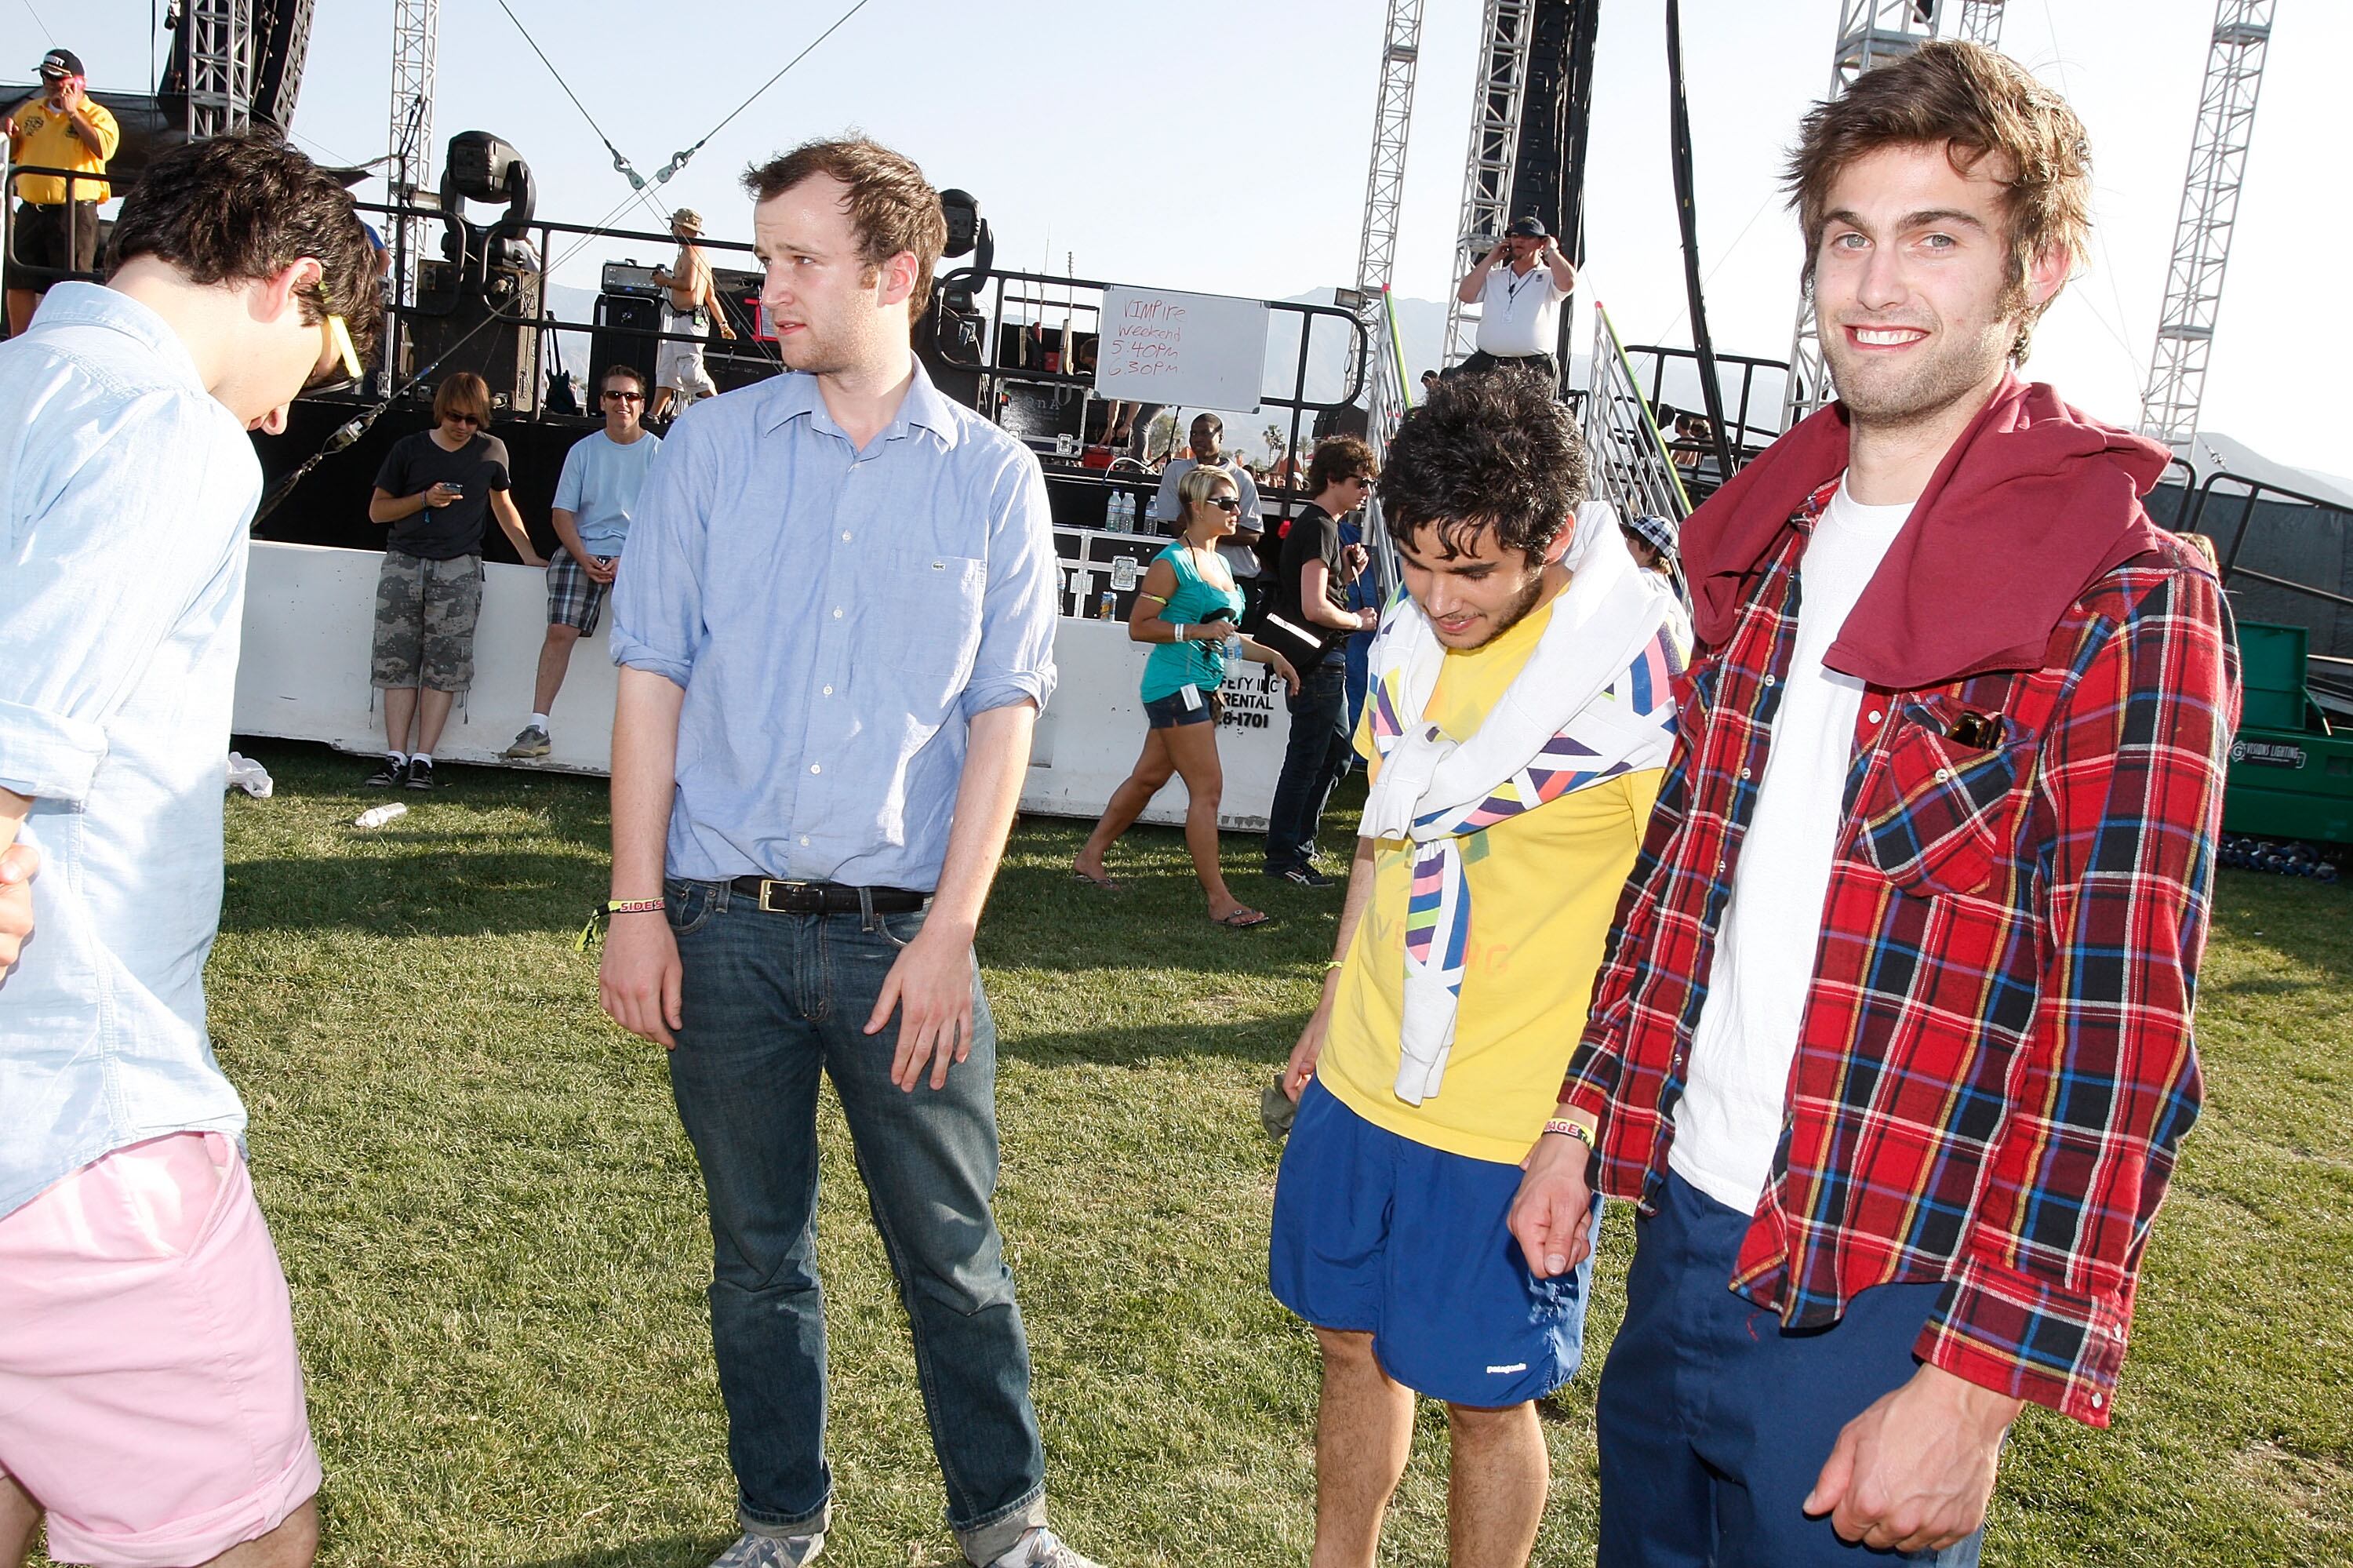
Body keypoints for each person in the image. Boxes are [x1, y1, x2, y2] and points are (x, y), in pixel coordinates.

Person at [1506, 41, 2239, 1566]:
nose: (1876, 279)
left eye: (1937, 234)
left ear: (2035, 267)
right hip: (1680, 1243)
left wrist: (1973, 1387)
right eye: (1849, 234)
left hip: (1888, 1296)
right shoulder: (1765, 547)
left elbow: (2121, 1032)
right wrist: (1583, 1115)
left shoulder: (2127, 596)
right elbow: (1681, 878)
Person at [600, 135, 1101, 1568]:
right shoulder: (705, 448)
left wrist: (952, 928)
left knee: (951, 1250)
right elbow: (648, 677)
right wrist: (637, 905)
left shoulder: (996, 481)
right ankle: (779, 1517)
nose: (771, 290)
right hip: (724, 922)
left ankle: (1004, 1525)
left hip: (905, 942)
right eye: (767, 259)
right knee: (757, 1258)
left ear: (898, 274)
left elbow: (1003, 718)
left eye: (801, 261)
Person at [0, 129, 377, 1568]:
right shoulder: (173, 432)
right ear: (287, 285)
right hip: (77, 1109)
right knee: (246, 1526)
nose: (292, 413)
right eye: (325, 358)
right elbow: (24, 712)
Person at [1271, 372, 1684, 1568]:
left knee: (1485, 1398)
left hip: (1515, 1108)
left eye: (1474, 571)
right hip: (1362, 1075)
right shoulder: (1402, 639)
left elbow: (1673, 922)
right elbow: (1385, 839)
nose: (1441, 598)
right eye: (1416, 561)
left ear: (1553, 541)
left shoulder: (1643, 677)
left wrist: (1585, 1113)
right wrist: (1334, 993)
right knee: (1350, 1346)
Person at [1071, 465, 1300, 926]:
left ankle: (1089, 858)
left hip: (1199, 685)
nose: (1238, 511)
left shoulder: (1219, 563)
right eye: (1226, 503)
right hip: (1177, 687)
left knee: (1147, 779)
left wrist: (1273, 655)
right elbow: (1140, 627)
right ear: (1196, 507)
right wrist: (1197, 630)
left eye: (1237, 502)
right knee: (1207, 791)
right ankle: (1219, 900)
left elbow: (1227, 635)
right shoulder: (1171, 562)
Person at [364, 370, 546, 790]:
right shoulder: (409, 449)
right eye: (455, 418)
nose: (463, 427)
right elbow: (377, 511)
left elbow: (504, 507)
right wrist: (425, 499)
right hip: (404, 562)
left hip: (459, 567)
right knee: (397, 662)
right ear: (440, 411)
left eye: (472, 420)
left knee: (445, 667)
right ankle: (395, 755)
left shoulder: (492, 452)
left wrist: (529, 555)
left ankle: (423, 759)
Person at [503, 364, 662, 759]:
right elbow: (562, 514)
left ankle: (650, 738)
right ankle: (537, 728)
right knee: (560, 631)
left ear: (642, 403)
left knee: (651, 643)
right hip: (583, 550)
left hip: (640, 554)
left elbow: (665, 518)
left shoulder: (660, 452)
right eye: (613, 395)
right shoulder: (583, 451)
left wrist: (629, 559)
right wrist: (584, 556)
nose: (622, 403)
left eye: (630, 396)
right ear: (601, 401)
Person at [1259, 435, 1380, 888]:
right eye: (1360, 481)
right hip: (1319, 659)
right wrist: (1359, 621)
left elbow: (1316, 593)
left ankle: (1293, 849)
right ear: (1333, 479)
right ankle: (1286, 854)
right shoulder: (1321, 528)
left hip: (1318, 658)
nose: (1366, 491)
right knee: (1312, 758)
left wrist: (1349, 574)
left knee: (1331, 755)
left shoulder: (1320, 527)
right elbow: (1314, 606)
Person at [4, 48, 120, 336]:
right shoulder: (31, 111)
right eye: (46, 76)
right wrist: (8, 131)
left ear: (77, 82)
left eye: (57, 78)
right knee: (18, 278)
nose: (50, 83)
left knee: (71, 282)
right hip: (32, 207)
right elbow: (16, 152)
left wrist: (73, 114)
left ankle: (68, 338)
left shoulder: (98, 115)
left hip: (74, 210)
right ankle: (20, 339)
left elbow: (103, 149)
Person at [1451, 216, 1574, 386]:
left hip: (1534, 366)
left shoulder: (1549, 277)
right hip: (1489, 362)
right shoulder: (1494, 276)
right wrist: (1490, 259)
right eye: (1515, 236)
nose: (1519, 241)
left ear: (1541, 243)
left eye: (1528, 237)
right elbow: (1465, 295)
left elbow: (1568, 283)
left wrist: (1552, 251)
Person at [1149, 412, 1263, 587]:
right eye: (1193, 434)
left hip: (1236, 575)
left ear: (1220, 437)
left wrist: (1200, 526)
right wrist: (1223, 528)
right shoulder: (1175, 471)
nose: (1197, 439)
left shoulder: (1242, 478)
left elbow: (1252, 536)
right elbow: (1175, 526)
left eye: (1205, 433)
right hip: (1191, 575)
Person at [648, 206, 738, 424]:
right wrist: (723, 324)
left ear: (682, 228)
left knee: (692, 372)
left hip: (688, 319)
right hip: (685, 319)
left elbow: (688, 285)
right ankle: (652, 415)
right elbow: (711, 296)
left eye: (674, 226)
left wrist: (665, 281)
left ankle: (721, 413)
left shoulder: (691, 253)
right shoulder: (702, 255)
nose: (672, 230)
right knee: (668, 368)